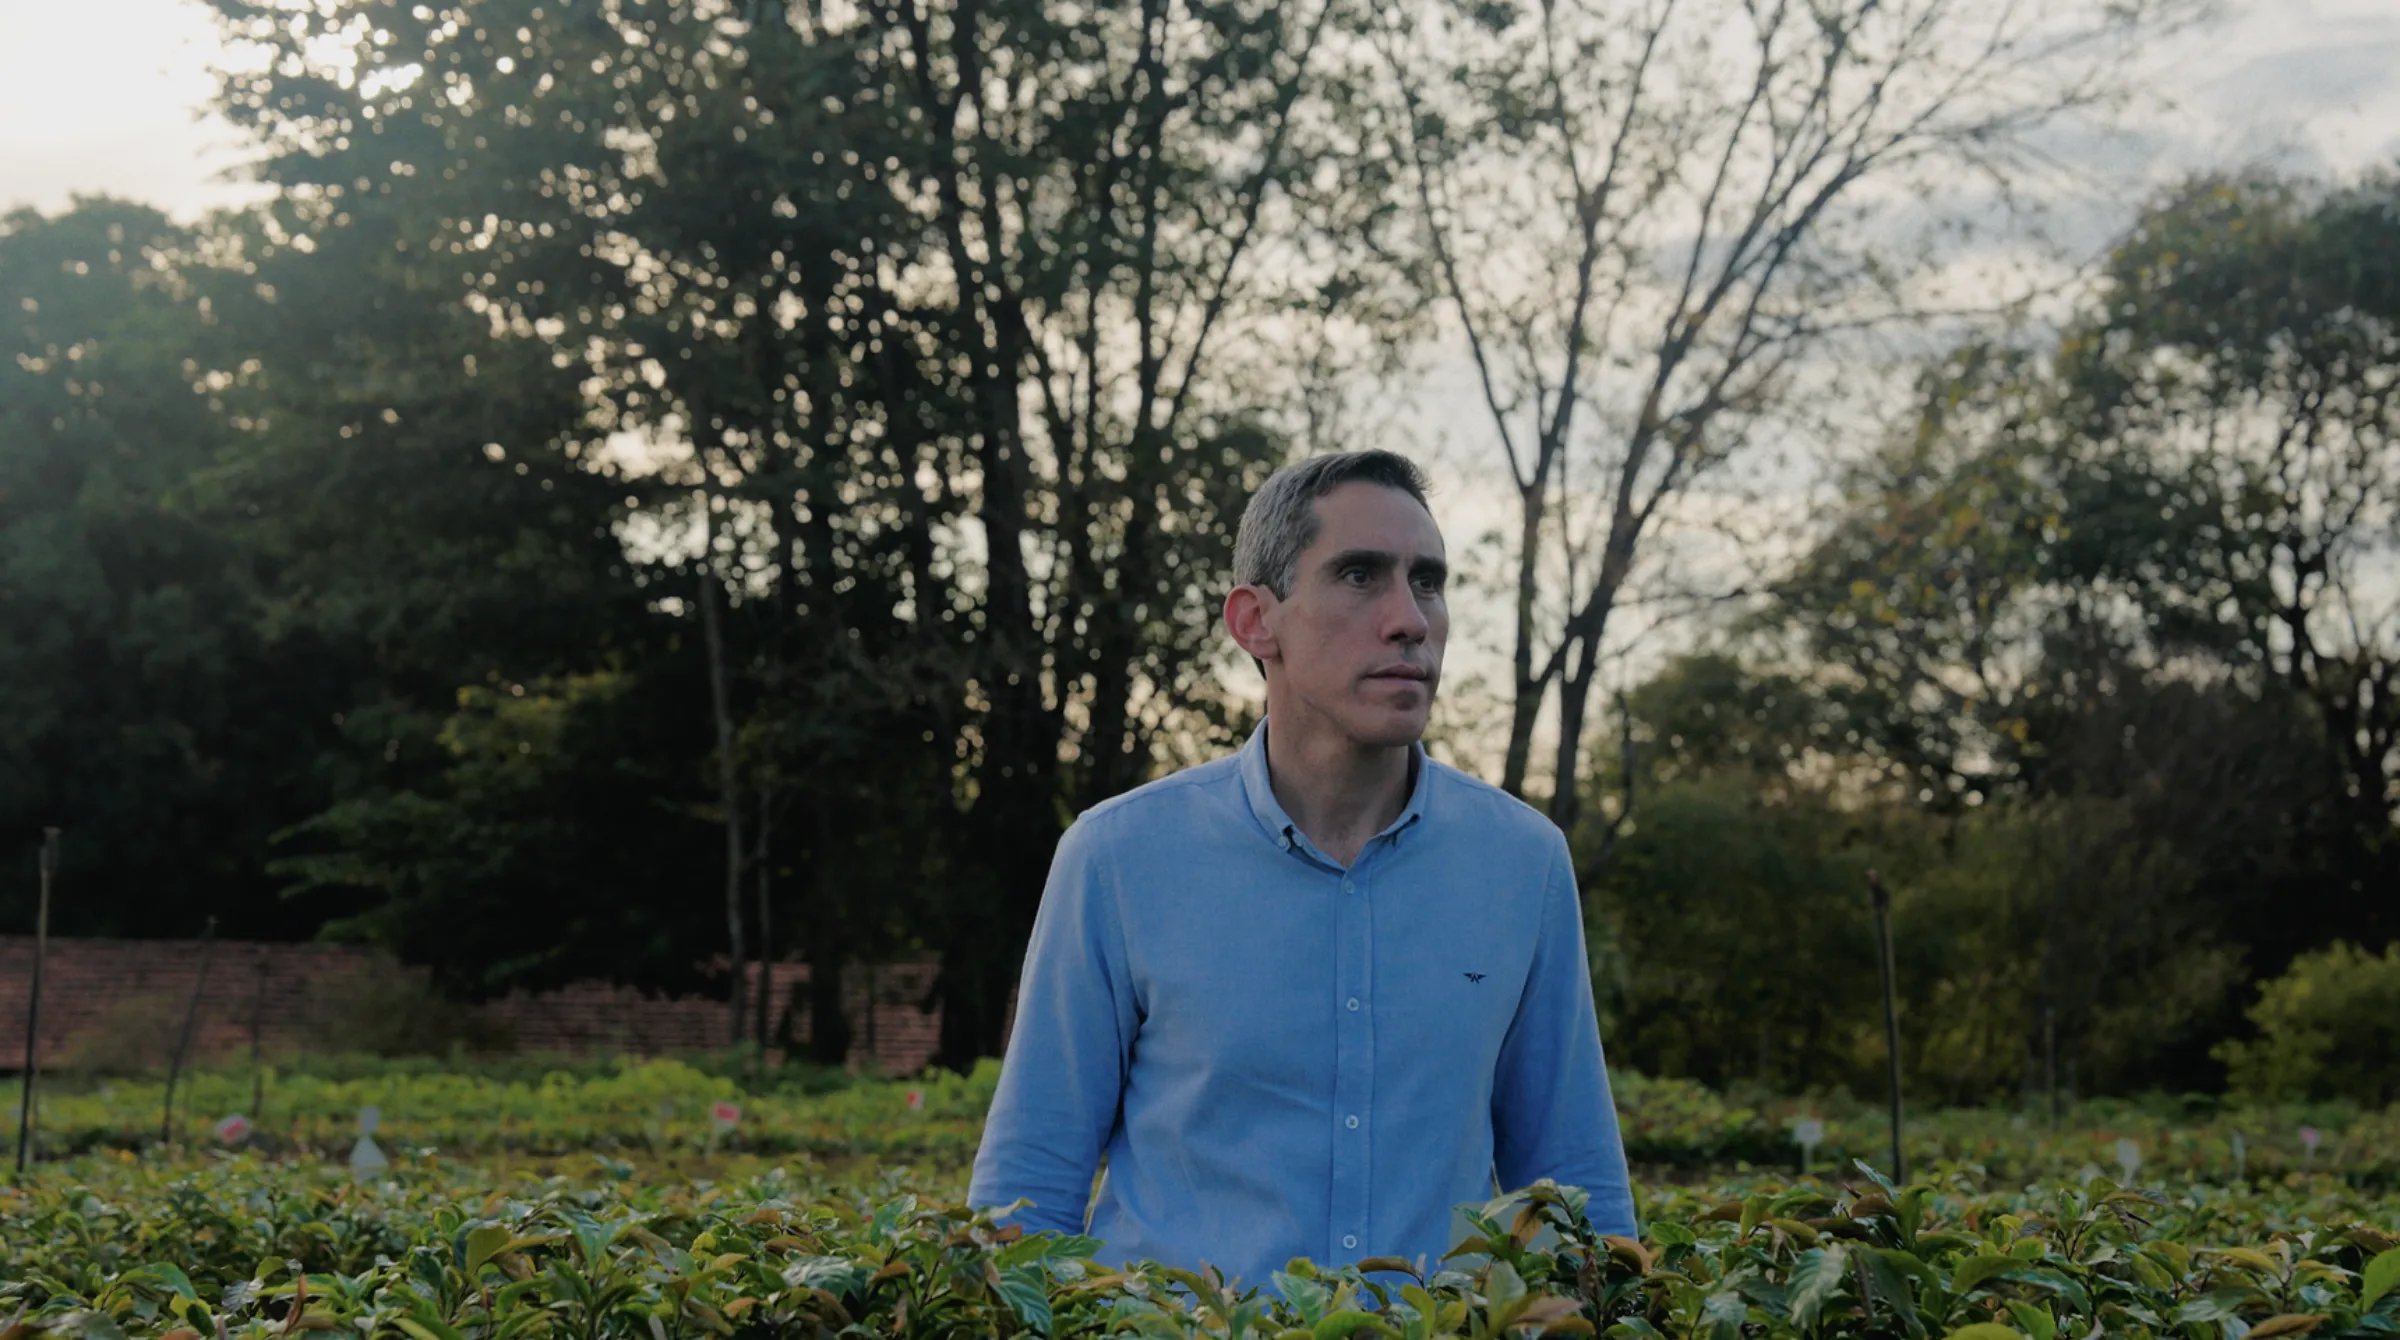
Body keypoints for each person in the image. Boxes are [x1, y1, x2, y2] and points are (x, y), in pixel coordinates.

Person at [966, 449, 1636, 1287]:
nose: (1410, 619)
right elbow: (1028, 1189)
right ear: (1255, 621)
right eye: (1360, 576)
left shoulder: (1522, 863)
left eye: (1428, 581)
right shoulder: (1117, 860)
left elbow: (1573, 1191)